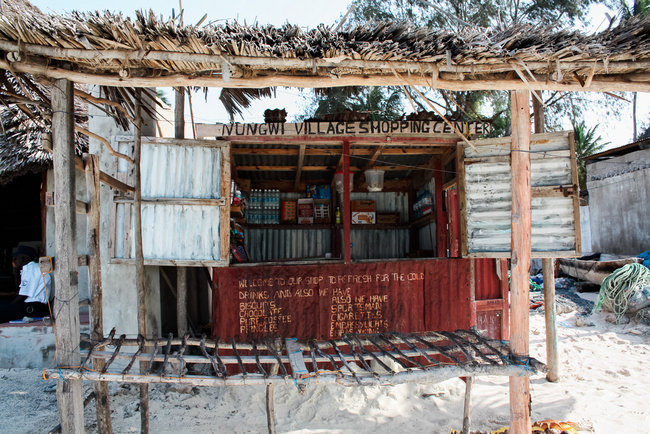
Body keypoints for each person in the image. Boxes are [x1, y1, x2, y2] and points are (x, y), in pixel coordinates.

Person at [0, 245, 51, 323]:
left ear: (24, 258)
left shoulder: (31, 269)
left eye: (16, 258)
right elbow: (20, 290)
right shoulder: (29, 269)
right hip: (33, 305)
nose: (14, 260)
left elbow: (23, 295)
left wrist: (11, 305)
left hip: (34, 307)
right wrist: (15, 270)